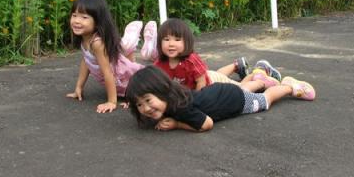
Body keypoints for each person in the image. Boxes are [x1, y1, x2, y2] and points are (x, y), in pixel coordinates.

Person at [125, 66, 316, 132]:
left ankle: (289, 86)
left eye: (148, 101)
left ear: (163, 91)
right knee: (242, 89)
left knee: (264, 101)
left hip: (235, 102)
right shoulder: (175, 96)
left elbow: (206, 124)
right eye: (139, 104)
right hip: (222, 91)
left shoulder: (181, 109)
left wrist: (177, 125)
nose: (145, 108)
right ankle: (258, 79)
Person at [152, 17, 282, 91]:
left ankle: (258, 74)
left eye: (177, 39)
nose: (171, 44)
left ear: (186, 42)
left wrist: (197, 100)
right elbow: (153, 82)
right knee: (217, 74)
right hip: (210, 76)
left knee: (241, 89)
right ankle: (237, 65)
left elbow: (201, 82)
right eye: (166, 39)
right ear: (159, 42)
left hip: (211, 84)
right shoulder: (160, 63)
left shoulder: (190, 60)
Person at [66, 0, 144, 113]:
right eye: (74, 15)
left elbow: (108, 73)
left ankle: (133, 43)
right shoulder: (85, 38)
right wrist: (79, 87)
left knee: (145, 92)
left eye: (84, 17)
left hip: (133, 81)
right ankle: (129, 47)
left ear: (97, 21)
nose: (76, 20)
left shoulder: (97, 43)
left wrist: (112, 101)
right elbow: (86, 61)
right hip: (121, 83)